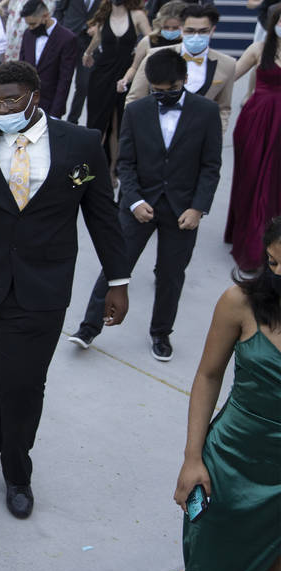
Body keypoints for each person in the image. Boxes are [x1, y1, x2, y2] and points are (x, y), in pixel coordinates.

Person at [0, 60, 130, 519]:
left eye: (11, 100)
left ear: (35, 98)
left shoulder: (81, 146)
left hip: (41, 287)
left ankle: (17, 472)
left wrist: (117, 282)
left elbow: (102, 215)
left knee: (22, 384)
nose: (1, 108)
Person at [69, 49, 221, 361]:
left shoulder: (206, 112)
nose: (162, 96)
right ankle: (89, 327)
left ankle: (161, 333)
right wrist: (134, 200)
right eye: (156, 91)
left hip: (183, 210)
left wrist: (198, 208)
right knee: (115, 266)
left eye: (169, 90)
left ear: (183, 80)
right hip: (139, 205)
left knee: (171, 274)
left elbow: (210, 166)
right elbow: (125, 162)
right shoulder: (136, 111)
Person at [168, 216, 281, 571]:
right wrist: (192, 458)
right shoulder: (240, 302)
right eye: (272, 263)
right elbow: (208, 375)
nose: (278, 274)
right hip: (230, 468)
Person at [224, 7, 281, 271]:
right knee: (251, 180)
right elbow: (229, 75)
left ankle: (269, 240)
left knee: (273, 183)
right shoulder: (259, 49)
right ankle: (249, 241)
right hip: (257, 123)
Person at [126, 3, 235, 133]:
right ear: (182, 29)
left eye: (203, 31)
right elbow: (135, 98)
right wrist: (138, 133)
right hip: (154, 132)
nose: (196, 36)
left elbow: (223, 108)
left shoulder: (227, 64)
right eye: (190, 30)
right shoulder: (155, 55)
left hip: (198, 136)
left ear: (212, 31)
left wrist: (216, 137)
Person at [82, 0, 150, 165]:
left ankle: (115, 168)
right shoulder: (105, 15)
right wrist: (88, 52)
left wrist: (141, 54)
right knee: (97, 121)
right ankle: (94, 166)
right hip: (102, 73)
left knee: (119, 122)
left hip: (125, 71)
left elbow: (150, 40)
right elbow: (98, 37)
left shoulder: (136, 16)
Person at [56, 0, 112, 124]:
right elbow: (61, 8)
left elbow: (109, 11)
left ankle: (73, 120)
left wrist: (99, 27)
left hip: (90, 41)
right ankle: (55, 115)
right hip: (69, 36)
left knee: (83, 84)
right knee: (63, 79)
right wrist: (59, 31)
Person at [18, 0, 78, 118]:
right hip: (27, 106)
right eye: (28, 24)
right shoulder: (28, 34)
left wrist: (55, 114)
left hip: (50, 107)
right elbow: (22, 68)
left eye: (33, 24)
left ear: (46, 16)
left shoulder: (67, 39)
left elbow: (65, 80)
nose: (30, 28)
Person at [118, 0, 187, 99]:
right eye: (166, 27)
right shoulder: (149, 41)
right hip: (152, 92)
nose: (170, 30)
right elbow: (135, 67)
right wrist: (125, 80)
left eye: (175, 28)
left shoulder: (188, 43)